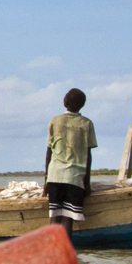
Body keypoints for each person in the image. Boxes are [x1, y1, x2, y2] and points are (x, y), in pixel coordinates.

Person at [44, 88, 97, 237]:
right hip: (74, 177)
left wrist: (46, 180)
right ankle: (65, 253)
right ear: (82, 105)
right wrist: (86, 184)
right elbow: (88, 156)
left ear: (65, 101)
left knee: (54, 217)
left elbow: (49, 152)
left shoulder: (55, 121)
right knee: (67, 219)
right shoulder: (86, 123)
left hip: (55, 176)